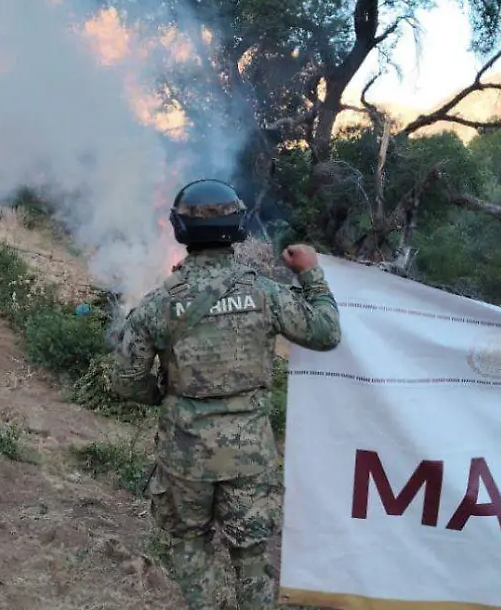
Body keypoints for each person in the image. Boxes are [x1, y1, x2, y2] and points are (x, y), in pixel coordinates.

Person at [110, 178, 342, 610]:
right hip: (249, 456)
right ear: (237, 227)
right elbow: (327, 332)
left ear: (181, 231)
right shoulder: (265, 293)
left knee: (190, 545)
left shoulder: (158, 305)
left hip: (185, 455)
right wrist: (310, 273)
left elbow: (125, 381)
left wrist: (163, 394)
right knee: (252, 556)